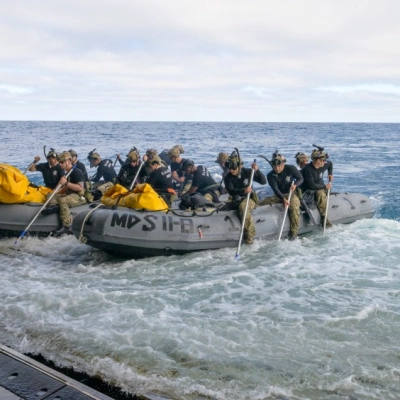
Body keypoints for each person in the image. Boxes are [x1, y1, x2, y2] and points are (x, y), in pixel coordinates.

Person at [258, 152, 304, 240]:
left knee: (294, 207)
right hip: (279, 195)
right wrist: (283, 199)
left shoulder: (291, 168)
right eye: (275, 166)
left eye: (279, 166)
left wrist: (295, 185)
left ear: (283, 164)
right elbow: (275, 189)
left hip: (291, 193)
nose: (277, 168)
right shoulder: (270, 175)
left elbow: (300, 178)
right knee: (261, 203)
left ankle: (293, 233)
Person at [224, 153, 266, 244]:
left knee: (243, 207)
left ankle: (250, 234)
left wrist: (257, 170)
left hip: (249, 198)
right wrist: (243, 190)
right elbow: (231, 190)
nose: (231, 170)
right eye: (229, 168)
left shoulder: (247, 172)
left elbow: (263, 181)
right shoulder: (228, 178)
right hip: (236, 198)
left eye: (233, 168)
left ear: (239, 166)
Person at [44, 151, 87, 235]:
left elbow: (80, 187)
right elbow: (65, 188)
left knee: (63, 200)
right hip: (70, 194)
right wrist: (55, 193)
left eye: (62, 162)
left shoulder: (76, 172)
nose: (60, 164)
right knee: (50, 195)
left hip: (79, 196)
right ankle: (54, 206)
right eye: (59, 162)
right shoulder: (67, 173)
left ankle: (66, 226)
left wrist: (66, 183)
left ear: (69, 161)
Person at [301, 148, 333, 228]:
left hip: (318, 187)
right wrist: (325, 186)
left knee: (321, 192)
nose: (324, 162)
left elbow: (330, 164)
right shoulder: (307, 170)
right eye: (323, 160)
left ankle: (324, 217)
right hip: (308, 191)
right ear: (318, 160)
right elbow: (311, 185)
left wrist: (330, 174)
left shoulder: (323, 165)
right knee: (320, 193)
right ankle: (324, 218)